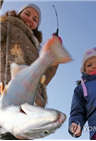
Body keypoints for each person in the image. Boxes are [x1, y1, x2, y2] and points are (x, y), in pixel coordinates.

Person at [0, 3, 60, 140]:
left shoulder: (36, 48)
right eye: (27, 13)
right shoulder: (9, 26)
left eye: (35, 19)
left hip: (27, 107)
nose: (30, 19)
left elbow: (43, 78)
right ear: (19, 13)